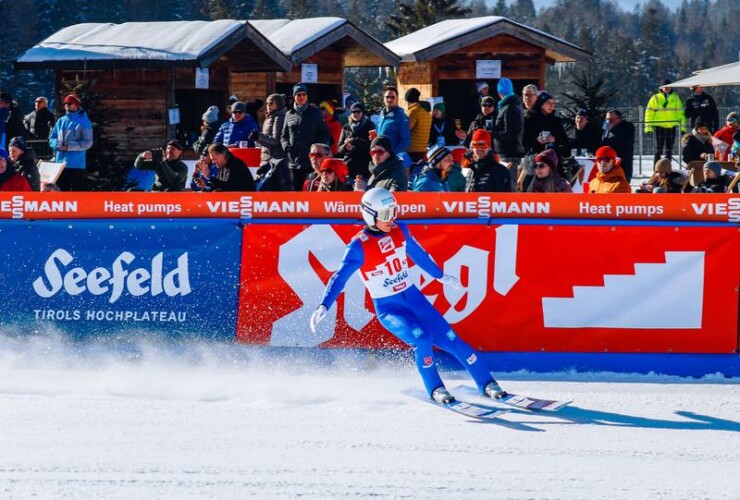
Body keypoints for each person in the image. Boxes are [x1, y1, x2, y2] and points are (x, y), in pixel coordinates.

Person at [309, 187, 508, 405]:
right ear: (369, 214)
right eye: (386, 215)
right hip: (389, 308)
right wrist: (324, 305)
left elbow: (418, 254)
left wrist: (439, 276)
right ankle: (435, 388)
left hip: (415, 299)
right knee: (422, 339)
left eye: (394, 211)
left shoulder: (399, 230)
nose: (391, 218)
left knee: (451, 339)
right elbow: (339, 278)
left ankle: (487, 382)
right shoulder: (358, 246)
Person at [281, 83, 331, 191]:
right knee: (294, 192)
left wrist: (317, 150)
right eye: (298, 95)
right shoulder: (289, 114)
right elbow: (283, 136)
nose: (301, 97)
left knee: (309, 190)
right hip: (293, 161)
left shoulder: (315, 113)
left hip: (311, 162)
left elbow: (324, 134)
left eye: (304, 94)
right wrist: (287, 148)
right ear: (294, 97)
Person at [49, 93, 93, 191]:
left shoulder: (84, 121)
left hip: (76, 164)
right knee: (60, 192)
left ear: (76, 105)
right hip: (60, 164)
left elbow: (88, 142)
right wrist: (56, 144)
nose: (66, 105)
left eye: (69, 103)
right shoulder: (61, 121)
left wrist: (69, 146)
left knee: (77, 193)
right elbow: (52, 138)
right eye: (65, 103)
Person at [644, 80, 686, 164]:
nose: (666, 88)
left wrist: (682, 128)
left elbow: (680, 113)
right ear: (661, 87)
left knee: (669, 150)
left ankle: (667, 169)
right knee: (658, 150)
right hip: (659, 127)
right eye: (665, 86)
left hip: (671, 126)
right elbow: (649, 113)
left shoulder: (675, 98)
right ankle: (656, 170)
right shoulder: (655, 98)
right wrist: (648, 128)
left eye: (668, 86)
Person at [337, 102, 375, 181]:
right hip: (350, 166)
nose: (356, 114)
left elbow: (372, 145)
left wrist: (354, 140)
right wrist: (345, 147)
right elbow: (339, 148)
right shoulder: (346, 127)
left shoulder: (370, 125)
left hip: (365, 165)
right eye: (353, 112)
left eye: (358, 111)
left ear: (362, 112)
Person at [493, 77, 524, 167]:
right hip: (508, 153)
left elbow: (510, 133)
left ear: (499, 92)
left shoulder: (510, 108)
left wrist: (493, 133)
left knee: (509, 180)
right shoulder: (512, 105)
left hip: (509, 154)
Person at [375, 87, 410, 164]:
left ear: (397, 99)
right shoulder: (382, 114)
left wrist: (393, 154)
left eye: (392, 97)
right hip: (380, 156)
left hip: (392, 159)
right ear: (384, 99)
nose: (389, 99)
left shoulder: (401, 116)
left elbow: (405, 141)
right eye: (387, 97)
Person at [600, 109, 635, 182]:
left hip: (622, 165)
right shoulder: (607, 130)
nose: (608, 121)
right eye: (607, 119)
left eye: (611, 119)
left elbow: (624, 144)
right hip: (609, 164)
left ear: (618, 118)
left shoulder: (626, 128)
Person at [253, 94, 286, 165]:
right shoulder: (269, 117)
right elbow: (267, 140)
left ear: (278, 104)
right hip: (267, 156)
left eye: (271, 103)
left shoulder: (279, 117)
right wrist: (256, 138)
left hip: (275, 158)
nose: (268, 105)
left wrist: (259, 136)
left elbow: (276, 140)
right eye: (267, 103)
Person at [405, 88, 432, 163]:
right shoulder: (426, 112)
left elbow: (406, 128)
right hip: (423, 148)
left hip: (412, 149)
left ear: (407, 100)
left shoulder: (413, 112)